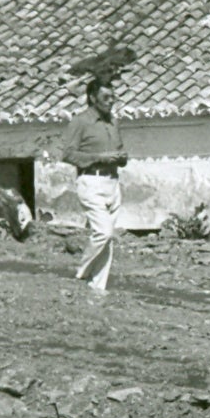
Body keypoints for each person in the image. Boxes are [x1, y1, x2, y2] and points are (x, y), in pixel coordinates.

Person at [49, 77, 129, 293]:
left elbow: (119, 153)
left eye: (113, 97)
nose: (111, 101)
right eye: (105, 97)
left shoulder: (113, 122)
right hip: (91, 180)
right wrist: (100, 157)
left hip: (112, 182)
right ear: (92, 98)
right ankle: (81, 274)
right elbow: (68, 154)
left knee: (108, 238)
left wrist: (120, 157)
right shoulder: (80, 122)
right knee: (103, 232)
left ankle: (97, 288)